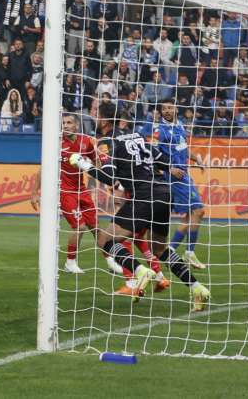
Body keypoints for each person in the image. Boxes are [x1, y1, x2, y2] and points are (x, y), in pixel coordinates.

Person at [75, 102, 209, 310]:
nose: (93, 116)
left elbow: (109, 178)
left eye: (95, 113)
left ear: (102, 118)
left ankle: (139, 270)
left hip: (144, 195)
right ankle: (197, 288)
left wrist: (84, 165)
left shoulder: (106, 141)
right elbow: (159, 156)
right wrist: (170, 168)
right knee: (160, 248)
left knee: (104, 239)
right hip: (164, 192)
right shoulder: (136, 135)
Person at [31, 113, 99, 274]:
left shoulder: (86, 141)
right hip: (65, 192)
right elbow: (42, 169)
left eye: (69, 122)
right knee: (80, 227)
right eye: (63, 123)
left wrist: (96, 170)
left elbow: (96, 161)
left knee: (96, 228)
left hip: (82, 190)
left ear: (76, 125)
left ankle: (111, 260)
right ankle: (70, 262)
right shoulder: (56, 143)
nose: (66, 125)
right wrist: (34, 192)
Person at [157, 100, 208, 270]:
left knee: (189, 216)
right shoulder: (160, 130)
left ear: (176, 109)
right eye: (164, 108)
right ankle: (189, 252)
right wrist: (169, 169)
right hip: (174, 176)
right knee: (199, 211)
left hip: (184, 174)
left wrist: (197, 158)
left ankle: (170, 249)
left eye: (170, 107)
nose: (167, 110)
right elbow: (154, 154)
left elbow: (183, 149)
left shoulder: (179, 125)